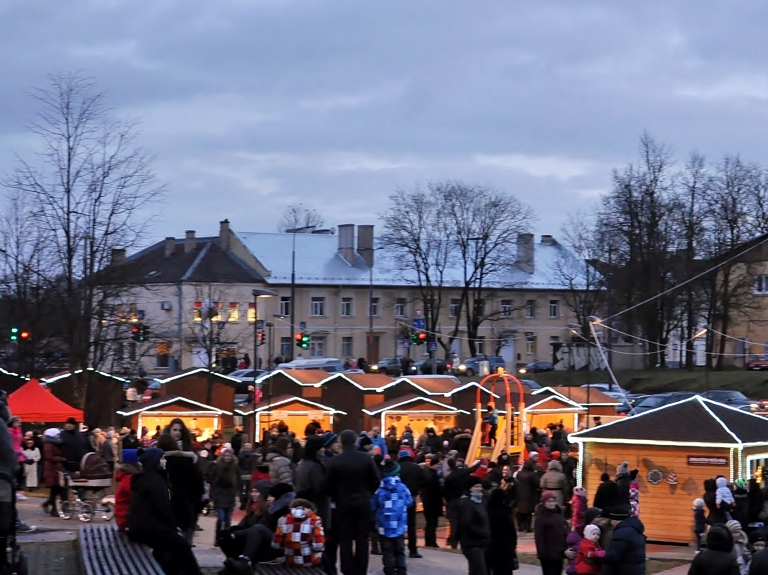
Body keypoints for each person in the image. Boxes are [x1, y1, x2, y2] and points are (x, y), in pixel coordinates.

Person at [126, 447, 204, 575]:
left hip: (138, 527)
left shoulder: (143, 478)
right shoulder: (155, 481)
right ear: (155, 461)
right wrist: (174, 528)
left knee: (164, 550)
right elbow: (163, 509)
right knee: (182, 545)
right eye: (162, 459)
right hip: (148, 528)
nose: (165, 461)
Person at [324, 429, 380, 575]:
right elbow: (375, 480)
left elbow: (328, 485)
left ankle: (348, 569)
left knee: (345, 540)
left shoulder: (335, 461)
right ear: (356, 441)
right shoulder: (366, 458)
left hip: (343, 503)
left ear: (341, 442)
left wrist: (336, 496)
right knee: (362, 540)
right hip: (363, 501)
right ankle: (361, 570)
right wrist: (367, 492)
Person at [157, 428, 204, 543]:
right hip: (186, 507)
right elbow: (198, 485)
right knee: (185, 544)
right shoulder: (188, 460)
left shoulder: (159, 463)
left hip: (165, 508)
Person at [372, 459, 413, 575]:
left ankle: (389, 570)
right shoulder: (403, 488)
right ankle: (401, 569)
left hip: (384, 525)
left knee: (387, 550)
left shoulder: (380, 490)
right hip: (399, 524)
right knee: (400, 550)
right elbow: (409, 502)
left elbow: (373, 504)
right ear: (397, 473)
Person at [272, 498, 326, 567]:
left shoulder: (282, 519)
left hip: (290, 561)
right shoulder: (315, 519)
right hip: (309, 562)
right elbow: (319, 545)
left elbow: (275, 544)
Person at [456, 476, 490, 575]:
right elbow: (466, 523)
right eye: (476, 486)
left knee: (475, 570)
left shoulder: (482, 502)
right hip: (471, 543)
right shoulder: (466, 503)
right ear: (469, 488)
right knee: (480, 571)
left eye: (480, 486)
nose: (479, 489)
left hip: (481, 542)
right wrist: (483, 533)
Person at [601, 504, 646, 575]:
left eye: (612, 519)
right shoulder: (634, 528)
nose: (611, 522)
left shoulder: (622, 533)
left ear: (616, 519)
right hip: (636, 570)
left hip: (626, 571)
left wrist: (597, 556)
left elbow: (613, 555)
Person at [397, 449, 424, 559]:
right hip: (412, 498)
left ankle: (399, 548)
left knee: (398, 523)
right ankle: (413, 550)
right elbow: (424, 480)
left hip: (397, 499)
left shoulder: (397, 467)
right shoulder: (416, 467)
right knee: (411, 525)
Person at [486, 488, 518, 575]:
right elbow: (511, 530)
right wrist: (513, 545)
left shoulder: (486, 510)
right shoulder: (505, 512)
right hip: (504, 546)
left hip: (489, 545)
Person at [534, 491, 567, 575]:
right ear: (544, 502)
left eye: (553, 501)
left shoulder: (559, 513)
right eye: (549, 501)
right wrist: (541, 553)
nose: (551, 503)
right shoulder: (541, 516)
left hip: (559, 551)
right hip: (548, 553)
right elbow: (539, 536)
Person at [211, 447, 240, 535]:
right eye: (226, 456)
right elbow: (213, 481)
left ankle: (225, 538)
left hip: (230, 495)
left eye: (229, 456)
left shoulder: (235, 467)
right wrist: (213, 495)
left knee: (228, 520)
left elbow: (239, 480)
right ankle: (218, 535)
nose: (227, 457)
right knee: (221, 518)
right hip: (220, 495)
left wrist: (237, 493)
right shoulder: (217, 467)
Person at [41, 428, 66, 517]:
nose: (59, 436)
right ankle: (53, 507)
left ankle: (49, 503)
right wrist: (61, 459)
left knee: (57, 489)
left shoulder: (57, 444)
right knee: (55, 488)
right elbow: (49, 457)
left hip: (57, 468)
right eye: (57, 435)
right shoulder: (48, 445)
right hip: (51, 468)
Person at [421, 455, 443, 549]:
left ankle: (429, 541)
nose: (440, 466)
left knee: (430, 523)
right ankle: (431, 541)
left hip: (428, 503)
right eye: (438, 464)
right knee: (432, 524)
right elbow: (435, 491)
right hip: (432, 503)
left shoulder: (428, 474)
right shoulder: (433, 476)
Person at [114, 449, 140, 531]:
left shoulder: (127, 476)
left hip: (125, 517)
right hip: (127, 520)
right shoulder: (129, 479)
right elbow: (137, 498)